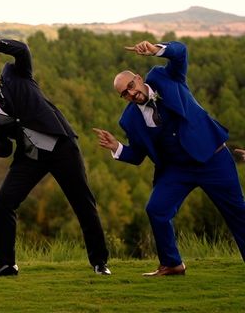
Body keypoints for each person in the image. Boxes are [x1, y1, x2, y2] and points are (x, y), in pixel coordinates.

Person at [94, 40, 245, 276]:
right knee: (156, 209)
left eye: (132, 86)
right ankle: (172, 264)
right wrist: (117, 147)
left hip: (212, 159)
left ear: (138, 77)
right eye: (125, 94)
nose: (132, 93)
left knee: (237, 213)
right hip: (176, 170)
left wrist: (156, 50)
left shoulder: (165, 77)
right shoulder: (129, 120)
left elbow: (181, 53)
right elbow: (138, 155)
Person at [0, 36, 110, 277]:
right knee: (3, 202)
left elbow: (21, 49)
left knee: (82, 202)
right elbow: (5, 149)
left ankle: (99, 262)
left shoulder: (14, 73)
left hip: (61, 145)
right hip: (30, 156)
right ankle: (6, 264)